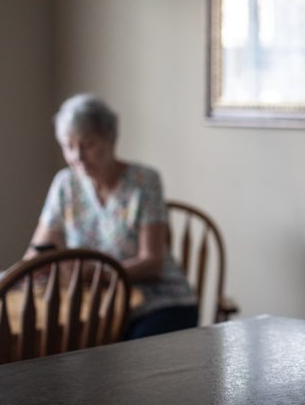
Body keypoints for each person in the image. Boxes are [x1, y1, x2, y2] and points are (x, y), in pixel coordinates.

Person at [26, 94, 198, 339]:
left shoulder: (144, 181)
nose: (77, 156)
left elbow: (152, 263)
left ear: (111, 139)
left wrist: (96, 273)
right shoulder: (65, 184)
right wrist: (33, 268)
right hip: (97, 303)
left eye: (88, 144)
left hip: (158, 302)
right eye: (68, 146)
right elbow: (38, 250)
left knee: (126, 356)